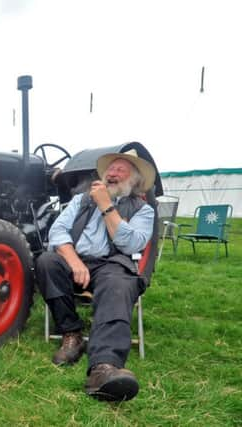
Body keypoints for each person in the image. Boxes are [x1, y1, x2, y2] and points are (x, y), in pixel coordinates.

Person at [36, 149, 155, 402]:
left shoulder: (142, 210)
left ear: (133, 180)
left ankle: (104, 367)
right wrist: (73, 260)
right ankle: (72, 334)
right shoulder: (81, 200)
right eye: (110, 168)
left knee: (118, 284)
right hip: (77, 260)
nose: (112, 173)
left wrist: (106, 206)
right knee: (46, 262)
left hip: (113, 263)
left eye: (120, 170)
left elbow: (131, 245)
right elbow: (58, 232)